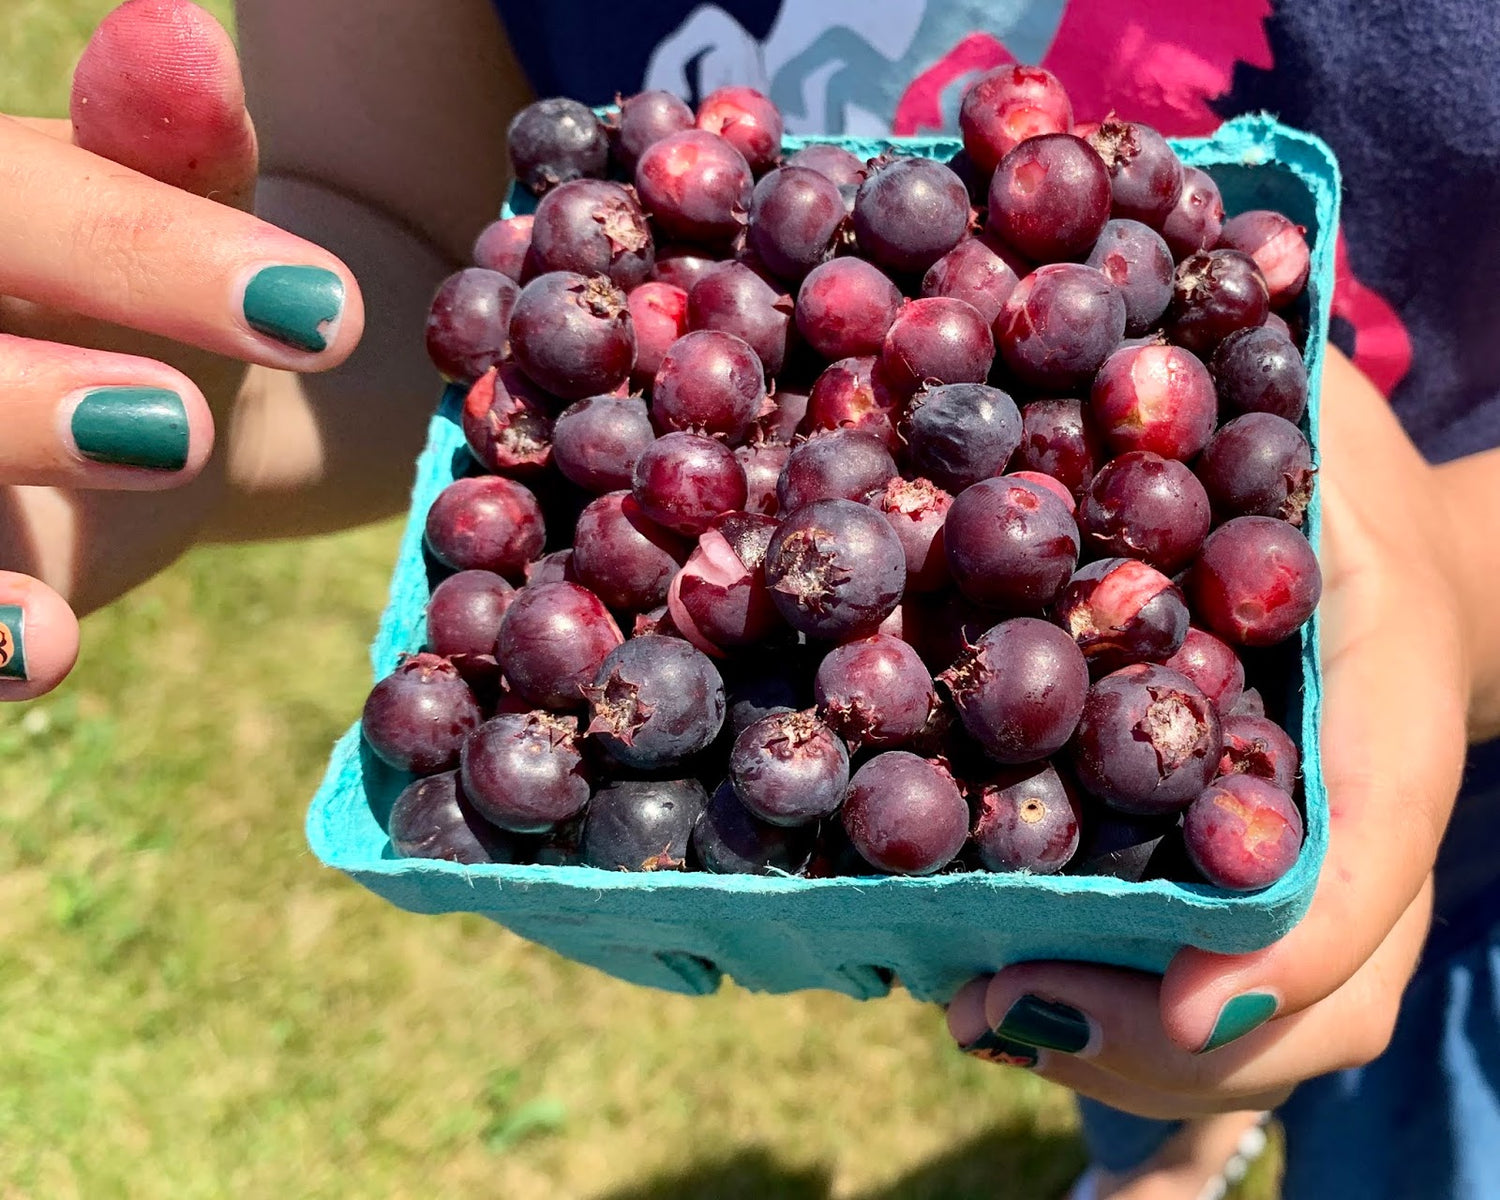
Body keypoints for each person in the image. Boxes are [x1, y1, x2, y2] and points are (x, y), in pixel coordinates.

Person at [3, 1, 1496, 1196]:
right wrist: (197, 401)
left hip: (1472, 822)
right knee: (1101, 1007)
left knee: (1421, 1137)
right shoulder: (795, 458)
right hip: (1093, 851)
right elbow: (424, 260)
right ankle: (1160, 1153)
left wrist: (1452, 570)